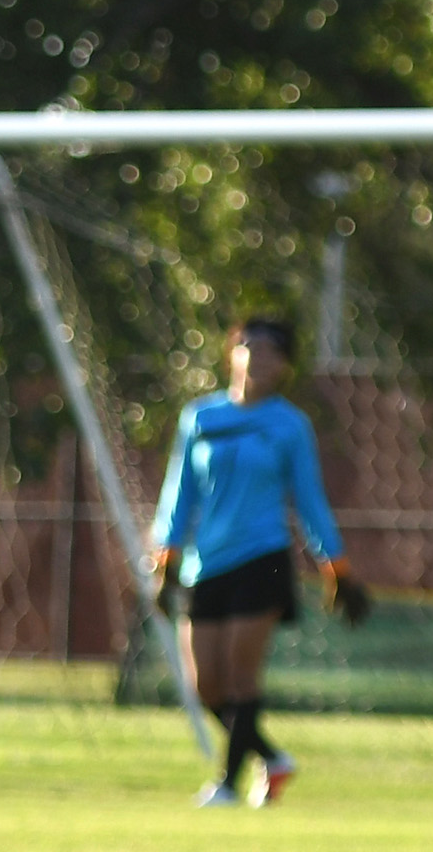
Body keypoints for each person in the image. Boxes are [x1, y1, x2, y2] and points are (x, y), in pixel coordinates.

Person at [149, 317, 365, 809]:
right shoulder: (200, 418)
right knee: (207, 686)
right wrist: (167, 558)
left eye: (272, 351)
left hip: (263, 559)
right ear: (232, 352)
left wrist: (337, 567)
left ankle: (226, 784)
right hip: (206, 564)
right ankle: (272, 758)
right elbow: (178, 492)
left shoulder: (289, 425)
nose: (259, 358)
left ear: (285, 366)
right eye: (251, 347)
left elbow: (310, 501)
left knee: (241, 677)